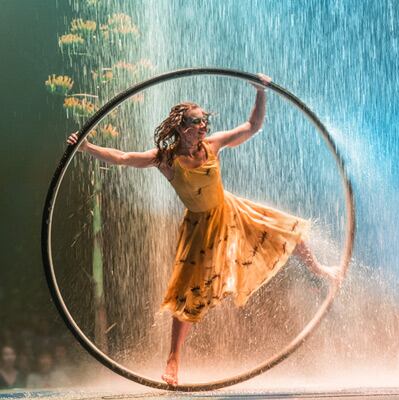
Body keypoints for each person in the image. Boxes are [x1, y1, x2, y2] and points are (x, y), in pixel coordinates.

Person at [67, 72, 340, 386]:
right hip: (200, 229)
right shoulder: (166, 159)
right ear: (182, 128)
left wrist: (260, 93)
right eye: (198, 121)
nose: (204, 125)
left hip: (230, 211)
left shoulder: (213, 145)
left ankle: (318, 269)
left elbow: (252, 127)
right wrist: (85, 147)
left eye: (204, 120)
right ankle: (173, 361)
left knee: (288, 229)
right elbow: (124, 157)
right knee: (187, 297)